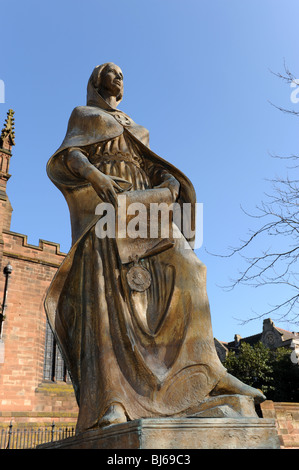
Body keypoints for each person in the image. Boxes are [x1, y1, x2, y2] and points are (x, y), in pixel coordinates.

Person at [45, 63, 265, 434]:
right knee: (109, 298)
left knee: (190, 269)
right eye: (111, 72)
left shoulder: (135, 126)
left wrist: (167, 180)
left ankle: (210, 373)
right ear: (97, 81)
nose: (119, 77)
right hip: (108, 210)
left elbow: (151, 166)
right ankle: (112, 399)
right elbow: (70, 155)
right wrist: (94, 175)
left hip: (145, 209)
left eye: (122, 74)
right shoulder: (84, 115)